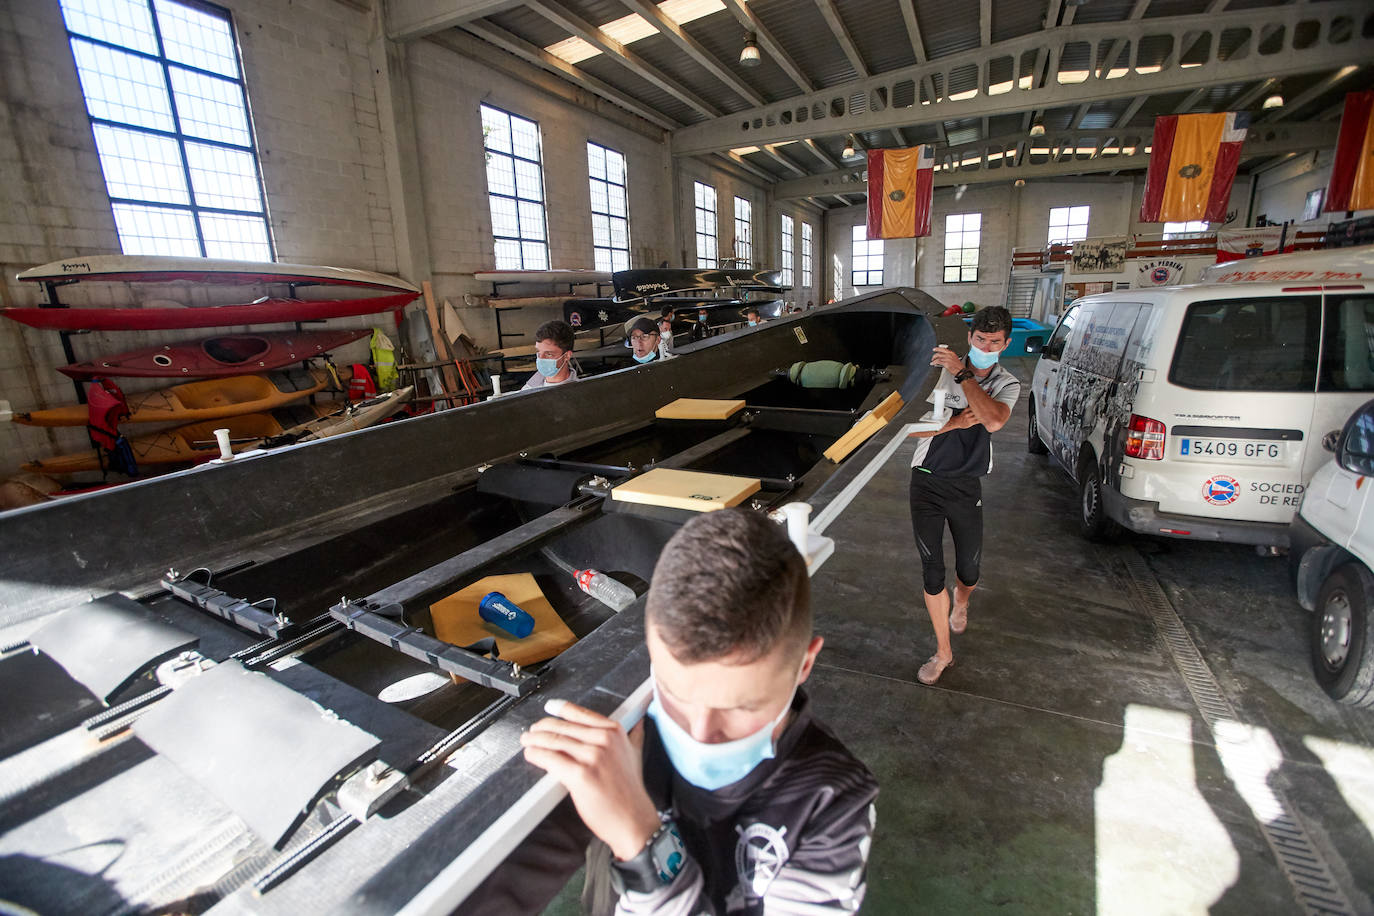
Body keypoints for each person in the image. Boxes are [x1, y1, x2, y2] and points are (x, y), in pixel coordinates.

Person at [466, 508, 878, 914]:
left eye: (739, 707)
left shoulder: (833, 798)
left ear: (804, 665)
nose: (699, 732)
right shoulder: (628, 731)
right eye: (673, 692)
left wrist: (644, 847)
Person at [907, 305, 1020, 685]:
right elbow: (907, 431)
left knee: (968, 571)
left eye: (994, 342)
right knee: (932, 571)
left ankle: (963, 600)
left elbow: (992, 420)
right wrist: (952, 423)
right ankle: (943, 653)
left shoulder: (1007, 383)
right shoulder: (937, 372)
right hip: (925, 481)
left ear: (1006, 344)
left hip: (966, 487)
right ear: (969, 337)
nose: (986, 345)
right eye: (980, 339)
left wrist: (963, 373)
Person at [522, 319, 579, 390]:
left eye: (549, 354)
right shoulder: (529, 388)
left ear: (567, 356)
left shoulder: (578, 392)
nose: (541, 358)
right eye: (539, 352)